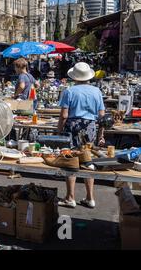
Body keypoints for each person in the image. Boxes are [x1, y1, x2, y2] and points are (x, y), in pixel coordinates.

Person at [57, 62, 105, 209]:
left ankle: (70, 197)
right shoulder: (97, 91)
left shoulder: (69, 91)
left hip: (73, 125)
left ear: (75, 77)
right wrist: (101, 135)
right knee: (88, 161)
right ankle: (90, 198)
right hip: (90, 127)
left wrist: (59, 130)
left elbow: (64, 115)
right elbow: (102, 116)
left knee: (71, 161)